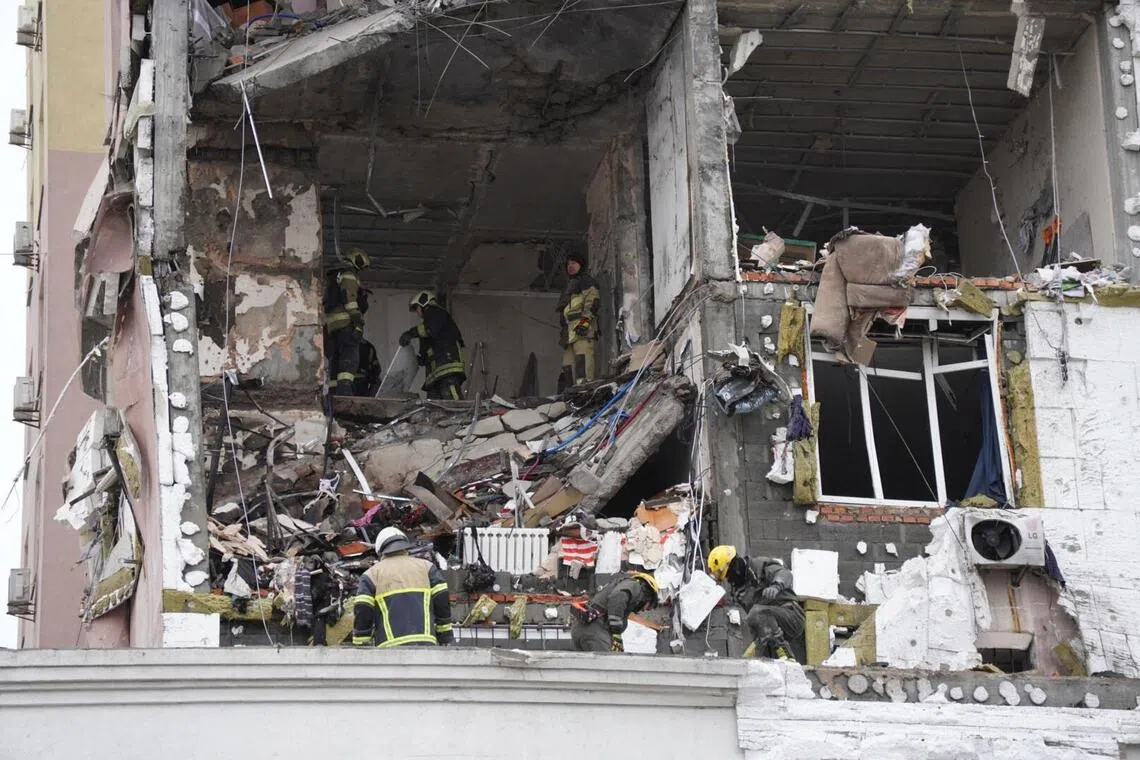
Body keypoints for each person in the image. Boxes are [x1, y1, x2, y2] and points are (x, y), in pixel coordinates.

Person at [351, 527, 454, 647]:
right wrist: (445, 635)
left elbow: (363, 609)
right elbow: (441, 601)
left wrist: (361, 643)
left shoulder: (371, 574)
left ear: (381, 551)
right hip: (426, 644)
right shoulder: (427, 568)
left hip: (389, 647)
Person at [707, 545, 803, 661]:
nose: (729, 578)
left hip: (791, 615)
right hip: (771, 627)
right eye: (726, 577)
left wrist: (776, 586)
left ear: (734, 565)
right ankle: (775, 662)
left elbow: (785, 574)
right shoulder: (738, 592)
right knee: (751, 658)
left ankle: (786, 656)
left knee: (757, 612)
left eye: (728, 573)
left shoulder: (758, 565)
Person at [398, 291, 466, 400]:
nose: (417, 312)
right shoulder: (431, 321)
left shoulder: (435, 312)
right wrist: (421, 359)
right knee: (434, 405)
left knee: (452, 400)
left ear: (423, 303)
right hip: (436, 373)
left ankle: (462, 416)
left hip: (446, 366)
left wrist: (410, 333)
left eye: (417, 308)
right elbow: (428, 344)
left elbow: (430, 330)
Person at [570, 571, 658, 652]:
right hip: (596, 631)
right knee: (604, 667)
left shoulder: (619, 584)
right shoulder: (635, 586)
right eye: (648, 607)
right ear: (648, 596)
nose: (643, 610)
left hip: (581, 629)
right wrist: (616, 629)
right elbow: (618, 596)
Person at [324, 248, 370, 396]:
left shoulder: (333, 278)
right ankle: (345, 395)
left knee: (335, 363)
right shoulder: (349, 274)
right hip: (345, 324)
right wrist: (358, 322)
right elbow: (349, 299)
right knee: (349, 361)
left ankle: (333, 396)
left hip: (332, 326)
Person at [557, 253, 601, 391]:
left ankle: (584, 390)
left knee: (583, 359)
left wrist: (584, 323)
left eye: (574, 263)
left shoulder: (586, 281)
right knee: (567, 364)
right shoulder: (569, 286)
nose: (570, 266)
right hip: (569, 332)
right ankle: (571, 392)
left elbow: (592, 302)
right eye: (568, 264)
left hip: (581, 328)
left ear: (581, 265)